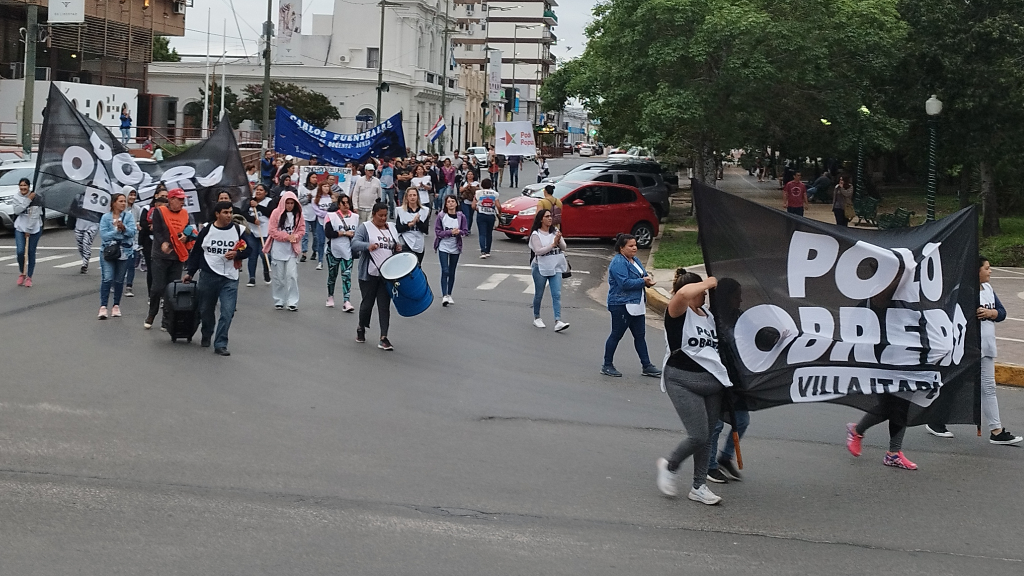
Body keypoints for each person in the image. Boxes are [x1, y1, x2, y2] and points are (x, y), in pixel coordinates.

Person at [926, 257, 1023, 445]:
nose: (990, 271)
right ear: (976, 271)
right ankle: (935, 421)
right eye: (987, 268)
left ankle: (996, 431)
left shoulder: (987, 290)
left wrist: (992, 313)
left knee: (988, 387)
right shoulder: (963, 291)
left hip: (986, 347)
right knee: (953, 384)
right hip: (966, 348)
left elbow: (1001, 312)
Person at [655, 269, 730, 505]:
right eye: (703, 291)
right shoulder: (678, 311)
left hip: (712, 382)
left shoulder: (708, 316)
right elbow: (684, 293)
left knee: (707, 438)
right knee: (698, 435)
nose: (705, 295)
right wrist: (709, 281)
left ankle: (699, 486)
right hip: (682, 378)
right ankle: (670, 466)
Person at [183, 201, 253, 356]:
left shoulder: (238, 230)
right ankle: (207, 333)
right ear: (217, 214)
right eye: (225, 212)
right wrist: (190, 272)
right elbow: (197, 252)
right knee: (206, 309)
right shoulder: (207, 230)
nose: (228, 215)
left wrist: (237, 254)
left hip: (230, 277)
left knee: (227, 311)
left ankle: (221, 343)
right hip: (208, 275)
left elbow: (249, 249)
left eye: (230, 212)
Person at [704, 277, 748, 484]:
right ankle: (709, 466)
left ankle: (725, 457)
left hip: (735, 379)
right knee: (716, 425)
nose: (740, 300)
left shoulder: (739, 317)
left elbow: (757, 334)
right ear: (725, 297)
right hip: (716, 376)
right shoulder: (711, 319)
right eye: (736, 296)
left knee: (742, 420)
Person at [602, 233, 660, 378]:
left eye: (635, 245)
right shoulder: (618, 262)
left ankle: (647, 365)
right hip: (622, 304)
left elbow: (643, 275)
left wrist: (647, 280)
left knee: (640, 336)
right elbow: (624, 283)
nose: (635, 248)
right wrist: (643, 282)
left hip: (637, 304)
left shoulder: (635, 260)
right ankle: (607, 365)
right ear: (622, 248)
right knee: (616, 334)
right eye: (631, 246)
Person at [352, 202, 401, 350]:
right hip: (369, 274)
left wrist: (399, 247)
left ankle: (383, 337)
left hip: (387, 275)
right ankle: (361, 327)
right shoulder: (365, 227)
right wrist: (368, 246)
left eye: (385, 215)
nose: (383, 218)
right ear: (374, 214)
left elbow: (397, 244)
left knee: (384, 306)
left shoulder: (391, 228)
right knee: (367, 304)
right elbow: (354, 243)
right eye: (380, 215)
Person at [145, 188, 193, 330]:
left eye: (183, 200)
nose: (182, 202)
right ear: (171, 199)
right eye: (179, 199)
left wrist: (186, 236)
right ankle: (151, 314)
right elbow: (158, 231)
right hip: (160, 255)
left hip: (177, 256)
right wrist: (164, 243)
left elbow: (188, 229)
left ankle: (166, 319)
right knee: (157, 287)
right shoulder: (160, 212)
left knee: (172, 289)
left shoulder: (185, 214)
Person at [97, 191, 137, 319]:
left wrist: (123, 229)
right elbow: (104, 235)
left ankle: (116, 305)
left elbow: (132, 233)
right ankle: (103, 307)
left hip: (124, 252)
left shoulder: (128, 217)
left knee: (119, 280)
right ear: (113, 203)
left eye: (124, 201)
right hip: (108, 251)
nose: (123, 204)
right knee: (107, 278)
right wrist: (116, 230)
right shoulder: (105, 217)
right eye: (120, 201)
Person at [263, 190, 305, 311]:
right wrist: (286, 236)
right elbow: (272, 230)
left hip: (292, 250)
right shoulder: (276, 213)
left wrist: (295, 237)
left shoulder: (298, 215)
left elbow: (302, 230)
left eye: (292, 203)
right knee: (278, 277)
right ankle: (279, 299)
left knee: (292, 276)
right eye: (288, 203)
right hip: (278, 249)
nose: (290, 205)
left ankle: (292, 301)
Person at [528, 209, 569, 332]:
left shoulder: (555, 231)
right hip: (540, 267)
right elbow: (538, 251)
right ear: (541, 219)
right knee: (539, 294)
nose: (550, 218)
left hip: (555, 266)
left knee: (557, 294)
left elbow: (564, 247)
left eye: (550, 216)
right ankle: (537, 317)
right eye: (547, 216)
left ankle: (558, 320)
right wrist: (552, 244)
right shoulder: (536, 234)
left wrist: (559, 240)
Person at [324, 194, 359, 311]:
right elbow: (329, 233)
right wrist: (343, 233)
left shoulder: (355, 217)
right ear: (339, 204)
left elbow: (357, 234)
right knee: (332, 275)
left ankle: (347, 300)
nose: (346, 205)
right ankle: (330, 296)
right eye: (343, 203)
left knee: (347, 276)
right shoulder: (331, 216)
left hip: (347, 251)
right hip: (333, 250)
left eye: (347, 202)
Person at [434, 195, 469, 307]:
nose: (450, 203)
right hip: (443, 246)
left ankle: (449, 294)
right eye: (448, 202)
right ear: (445, 204)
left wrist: (458, 232)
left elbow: (465, 231)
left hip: (455, 247)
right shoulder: (441, 216)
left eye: (452, 201)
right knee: (445, 270)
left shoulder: (461, 216)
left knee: (452, 270)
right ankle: (444, 295)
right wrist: (449, 233)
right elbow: (438, 232)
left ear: (456, 203)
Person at [12, 177, 43, 288]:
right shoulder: (16, 197)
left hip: (34, 229)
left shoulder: (36, 198)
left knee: (30, 252)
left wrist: (29, 230)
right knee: (20, 252)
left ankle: (29, 276)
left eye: (25, 186)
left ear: (29, 186)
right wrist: (28, 200)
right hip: (20, 227)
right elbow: (17, 211)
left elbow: (35, 215)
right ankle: (22, 272)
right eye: (21, 185)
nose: (23, 188)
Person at [245, 183, 274, 287]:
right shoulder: (250, 201)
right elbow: (244, 213)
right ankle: (251, 278)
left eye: (261, 190)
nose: (258, 191)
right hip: (252, 232)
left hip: (265, 232)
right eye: (257, 190)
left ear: (265, 192)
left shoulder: (269, 202)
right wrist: (252, 220)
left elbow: (271, 213)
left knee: (265, 254)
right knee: (252, 255)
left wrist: (258, 206)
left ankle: (266, 272)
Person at [395, 187, 430, 265]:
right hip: (406, 243)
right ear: (406, 197)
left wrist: (418, 222)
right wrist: (409, 225)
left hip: (419, 243)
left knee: (417, 266)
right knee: (406, 267)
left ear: (417, 197)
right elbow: (398, 228)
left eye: (414, 195)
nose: (412, 197)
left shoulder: (425, 210)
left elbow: (425, 230)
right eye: (410, 195)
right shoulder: (400, 210)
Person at [474, 177, 501, 258]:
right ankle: (488, 251)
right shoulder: (495, 194)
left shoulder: (478, 192)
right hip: (491, 215)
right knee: (489, 233)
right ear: (491, 185)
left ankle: (483, 251)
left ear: (482, 185)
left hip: (481, 214)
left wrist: (477, 208)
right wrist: (499, 213)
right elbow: (498, 206)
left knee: (482, 233)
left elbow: (473, 205)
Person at [311, 180, 334, 270]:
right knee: (321, 242)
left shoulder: (332, 198)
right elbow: (316, 210)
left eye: (327, 186)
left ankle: (332, 260)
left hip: (331, 222)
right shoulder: (315, 199)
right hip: (320, 222)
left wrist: (329, 213)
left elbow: (335, 208)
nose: (326, 188)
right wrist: (326, 213)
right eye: (324, 186)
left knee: (332, 242)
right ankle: (320, 261)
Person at [298, 172, 319, 262]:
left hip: (316, 215)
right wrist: (308, 199)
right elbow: (300, 200)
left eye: (316, 177)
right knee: (305, 234)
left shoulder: (318, 189)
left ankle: (315, 251)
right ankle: (304, 253)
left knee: (316, 235)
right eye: (313, 177)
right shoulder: (302, 188)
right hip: (305, 214)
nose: (315, 179)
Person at [124, 189, 141, 297]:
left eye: (134, 195)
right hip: (122, 241)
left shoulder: (137, 209)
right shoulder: (120, 208)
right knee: (120, 265)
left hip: (133, 241)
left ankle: (129, 286)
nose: (133, 197)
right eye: (130, 195)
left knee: (131, 265)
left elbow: (139, 222)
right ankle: (114, 283)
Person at [458, 170, 480, 234]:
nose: (470, 176)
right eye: (468, 174)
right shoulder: (463, 182)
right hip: (465, 201)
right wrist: (467, 187)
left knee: (471, 216)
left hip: (473, 202)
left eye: (471, 174)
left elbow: (478, 192)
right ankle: (465, 229)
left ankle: (469, 228)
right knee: (466, 215)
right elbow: (460, 190)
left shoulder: (476, 183)